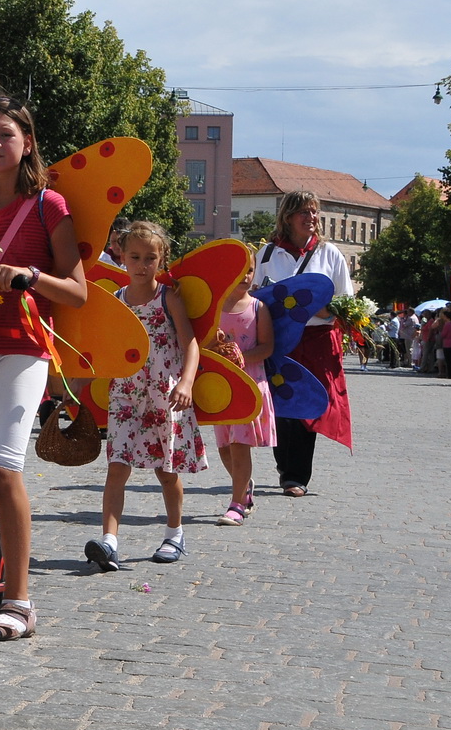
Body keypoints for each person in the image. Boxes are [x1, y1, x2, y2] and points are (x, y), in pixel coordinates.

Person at [0, 88, 87, 641]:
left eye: (6, 134)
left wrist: (29, 275)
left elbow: (77, 292)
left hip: (26, 346)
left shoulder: (49, 206)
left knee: (4, 465)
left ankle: (20, 602)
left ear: (27, 142)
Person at [85, 221, 206, 568]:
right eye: (135, 257)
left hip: (164, 395)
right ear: (121, 257)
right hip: (126, 394)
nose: (141, 265)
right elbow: (103, 348)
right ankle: (109, 541)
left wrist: (186, 382)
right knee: (116, 466)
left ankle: (174, 533)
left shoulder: (168, 297)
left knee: (166, 472)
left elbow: (190, 344)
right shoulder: (116, 301)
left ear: (162, 259)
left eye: (150, 258)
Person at [251, 191, 352, 496]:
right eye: (304, 213)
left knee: (310, 404)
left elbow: (346, 303)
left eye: (314, 212)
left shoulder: (329, 253)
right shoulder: (267, 254)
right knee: (283, 404)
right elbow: (253, 298)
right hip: (281, 339)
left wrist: (321, 308)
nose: (312, 218)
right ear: (288, 217)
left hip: (319, 339)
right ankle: (288, 471)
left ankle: (297, 475)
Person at [211, 259, 274, 526]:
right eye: (239, 270)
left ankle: (236, 504)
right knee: (224, 447)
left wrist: (241, 357)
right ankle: (245, 487)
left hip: (248, 385)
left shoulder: (258, 308)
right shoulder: (214, 308)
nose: (245, 276)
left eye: (249, 270)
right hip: (221, 387)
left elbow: (267, 347)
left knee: (240, 446)